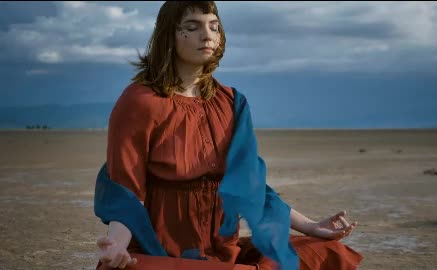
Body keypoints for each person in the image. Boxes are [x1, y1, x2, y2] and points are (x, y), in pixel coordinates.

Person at [94, 1, 363, 269]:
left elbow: (249, 185)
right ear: (169, 35)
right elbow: (126, 189)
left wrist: (310, 226)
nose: (208, 35)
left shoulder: (232, 102)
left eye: (214, 27)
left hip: (221, 249)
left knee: (325, 251)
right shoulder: (140, 101)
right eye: (192, 27)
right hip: (158, 249)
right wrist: (117, 245)